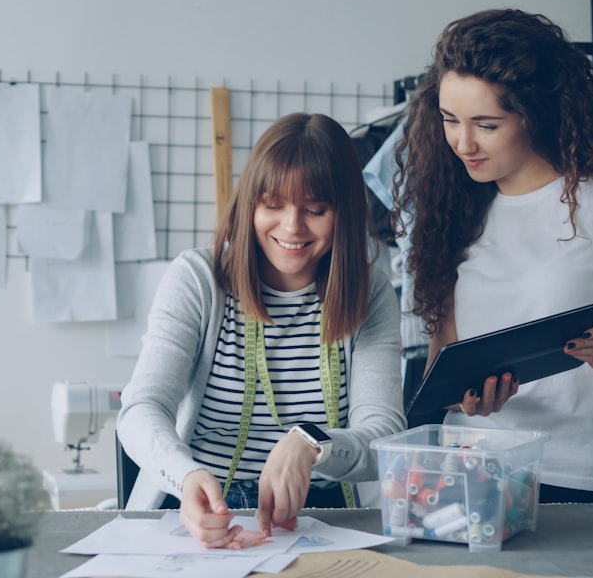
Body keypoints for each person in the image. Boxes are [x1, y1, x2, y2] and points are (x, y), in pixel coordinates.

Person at [392, 9, 593, 503]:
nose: (462, 143)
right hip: (468, 472)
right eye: (449, 120)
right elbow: (441, 374)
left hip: (579, 476)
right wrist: (467, 398)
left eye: (486, 125)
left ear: (535, 112)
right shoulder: (452, 208)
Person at [116, 112, 406, 549]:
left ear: (344, 212)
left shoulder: (371, 292)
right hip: (203, 509)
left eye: (315, 209)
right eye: (273, 205)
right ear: (250, 202)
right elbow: (141, 408)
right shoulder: (198, 278)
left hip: (326, 518)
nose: (292, 227)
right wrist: (186, 475)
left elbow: (383, 432)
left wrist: (311, 444)